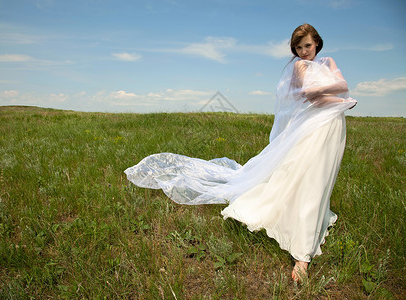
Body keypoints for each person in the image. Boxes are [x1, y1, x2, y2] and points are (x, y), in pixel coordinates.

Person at [124, 24, 357, 283]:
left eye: (308, 46)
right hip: (313, 125)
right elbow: (311, 95)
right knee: (304, 174)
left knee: (320, 176)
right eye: (299, 47)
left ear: (317, 44)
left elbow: (343, 83)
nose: (304, 51)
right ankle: (302, 254)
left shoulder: (328, 62)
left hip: (333, 126)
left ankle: (309, 218)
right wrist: (341, 99)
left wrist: (336, 94)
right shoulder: (299, 67)